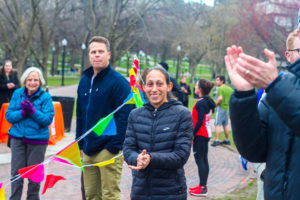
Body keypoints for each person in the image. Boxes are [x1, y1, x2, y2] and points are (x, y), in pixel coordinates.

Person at [224, 28, 300, 199]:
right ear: (288, 56)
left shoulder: (277, 88)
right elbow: (254, 151)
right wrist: (244, 95)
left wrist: (275, 86)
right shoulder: (277, 89)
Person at [123, 66, 193, 200]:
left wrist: (150, 158)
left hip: (171, 192)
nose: (154, 89)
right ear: (143, 87)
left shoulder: (182, 114)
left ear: (169, 86)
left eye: (159, 84)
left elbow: (180, 156)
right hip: (141, 191)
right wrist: (137, 159)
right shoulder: (135, 115)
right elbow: (128, 149)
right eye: (150, 84)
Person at [76, 36, 132, 200]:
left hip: (108, 149)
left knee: (109, 195)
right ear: (89, 55)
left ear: (108, 54)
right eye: (93, 52)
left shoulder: (118, 82)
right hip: (87, 149)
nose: (97, 55)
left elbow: (125, 116)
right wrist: (79, 143)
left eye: (101, 51)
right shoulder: (85, 81)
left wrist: (114, 146)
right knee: (91, 195)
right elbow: (80, 114)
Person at [6, 67, 54, 200]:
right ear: (25, 80)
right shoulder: (17, 94)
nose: (32, 82)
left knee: (34, 177)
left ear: (40, 81)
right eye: (29, 79)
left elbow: (47, 119)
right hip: (18, 139)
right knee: (16, 174)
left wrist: (32, 111)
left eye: (35, 80)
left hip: (38, 141)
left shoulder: (46, 97)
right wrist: (22, 112)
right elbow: (9, 116)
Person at [189, 79, 215, 197]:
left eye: (196, 86)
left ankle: (203, 188)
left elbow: (199, 121)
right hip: (205, 133)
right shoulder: (206, 101)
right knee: (203, 160)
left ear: (199, 89)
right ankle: (202, 185)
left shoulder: (201, 103)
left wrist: (192, 134)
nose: (194, 87)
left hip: (200, 134)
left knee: (201, 160)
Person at [211, 75, 233, 146]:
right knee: (225, 124)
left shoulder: (220, 88)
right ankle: (227, 140)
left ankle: (217, 140)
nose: (216, 81)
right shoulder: (230, 89)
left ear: (222, 81)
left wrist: (215, 105)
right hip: (227, 108)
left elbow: (220, 98)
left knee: (217, 124)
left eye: (217, 80)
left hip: (221, 108)